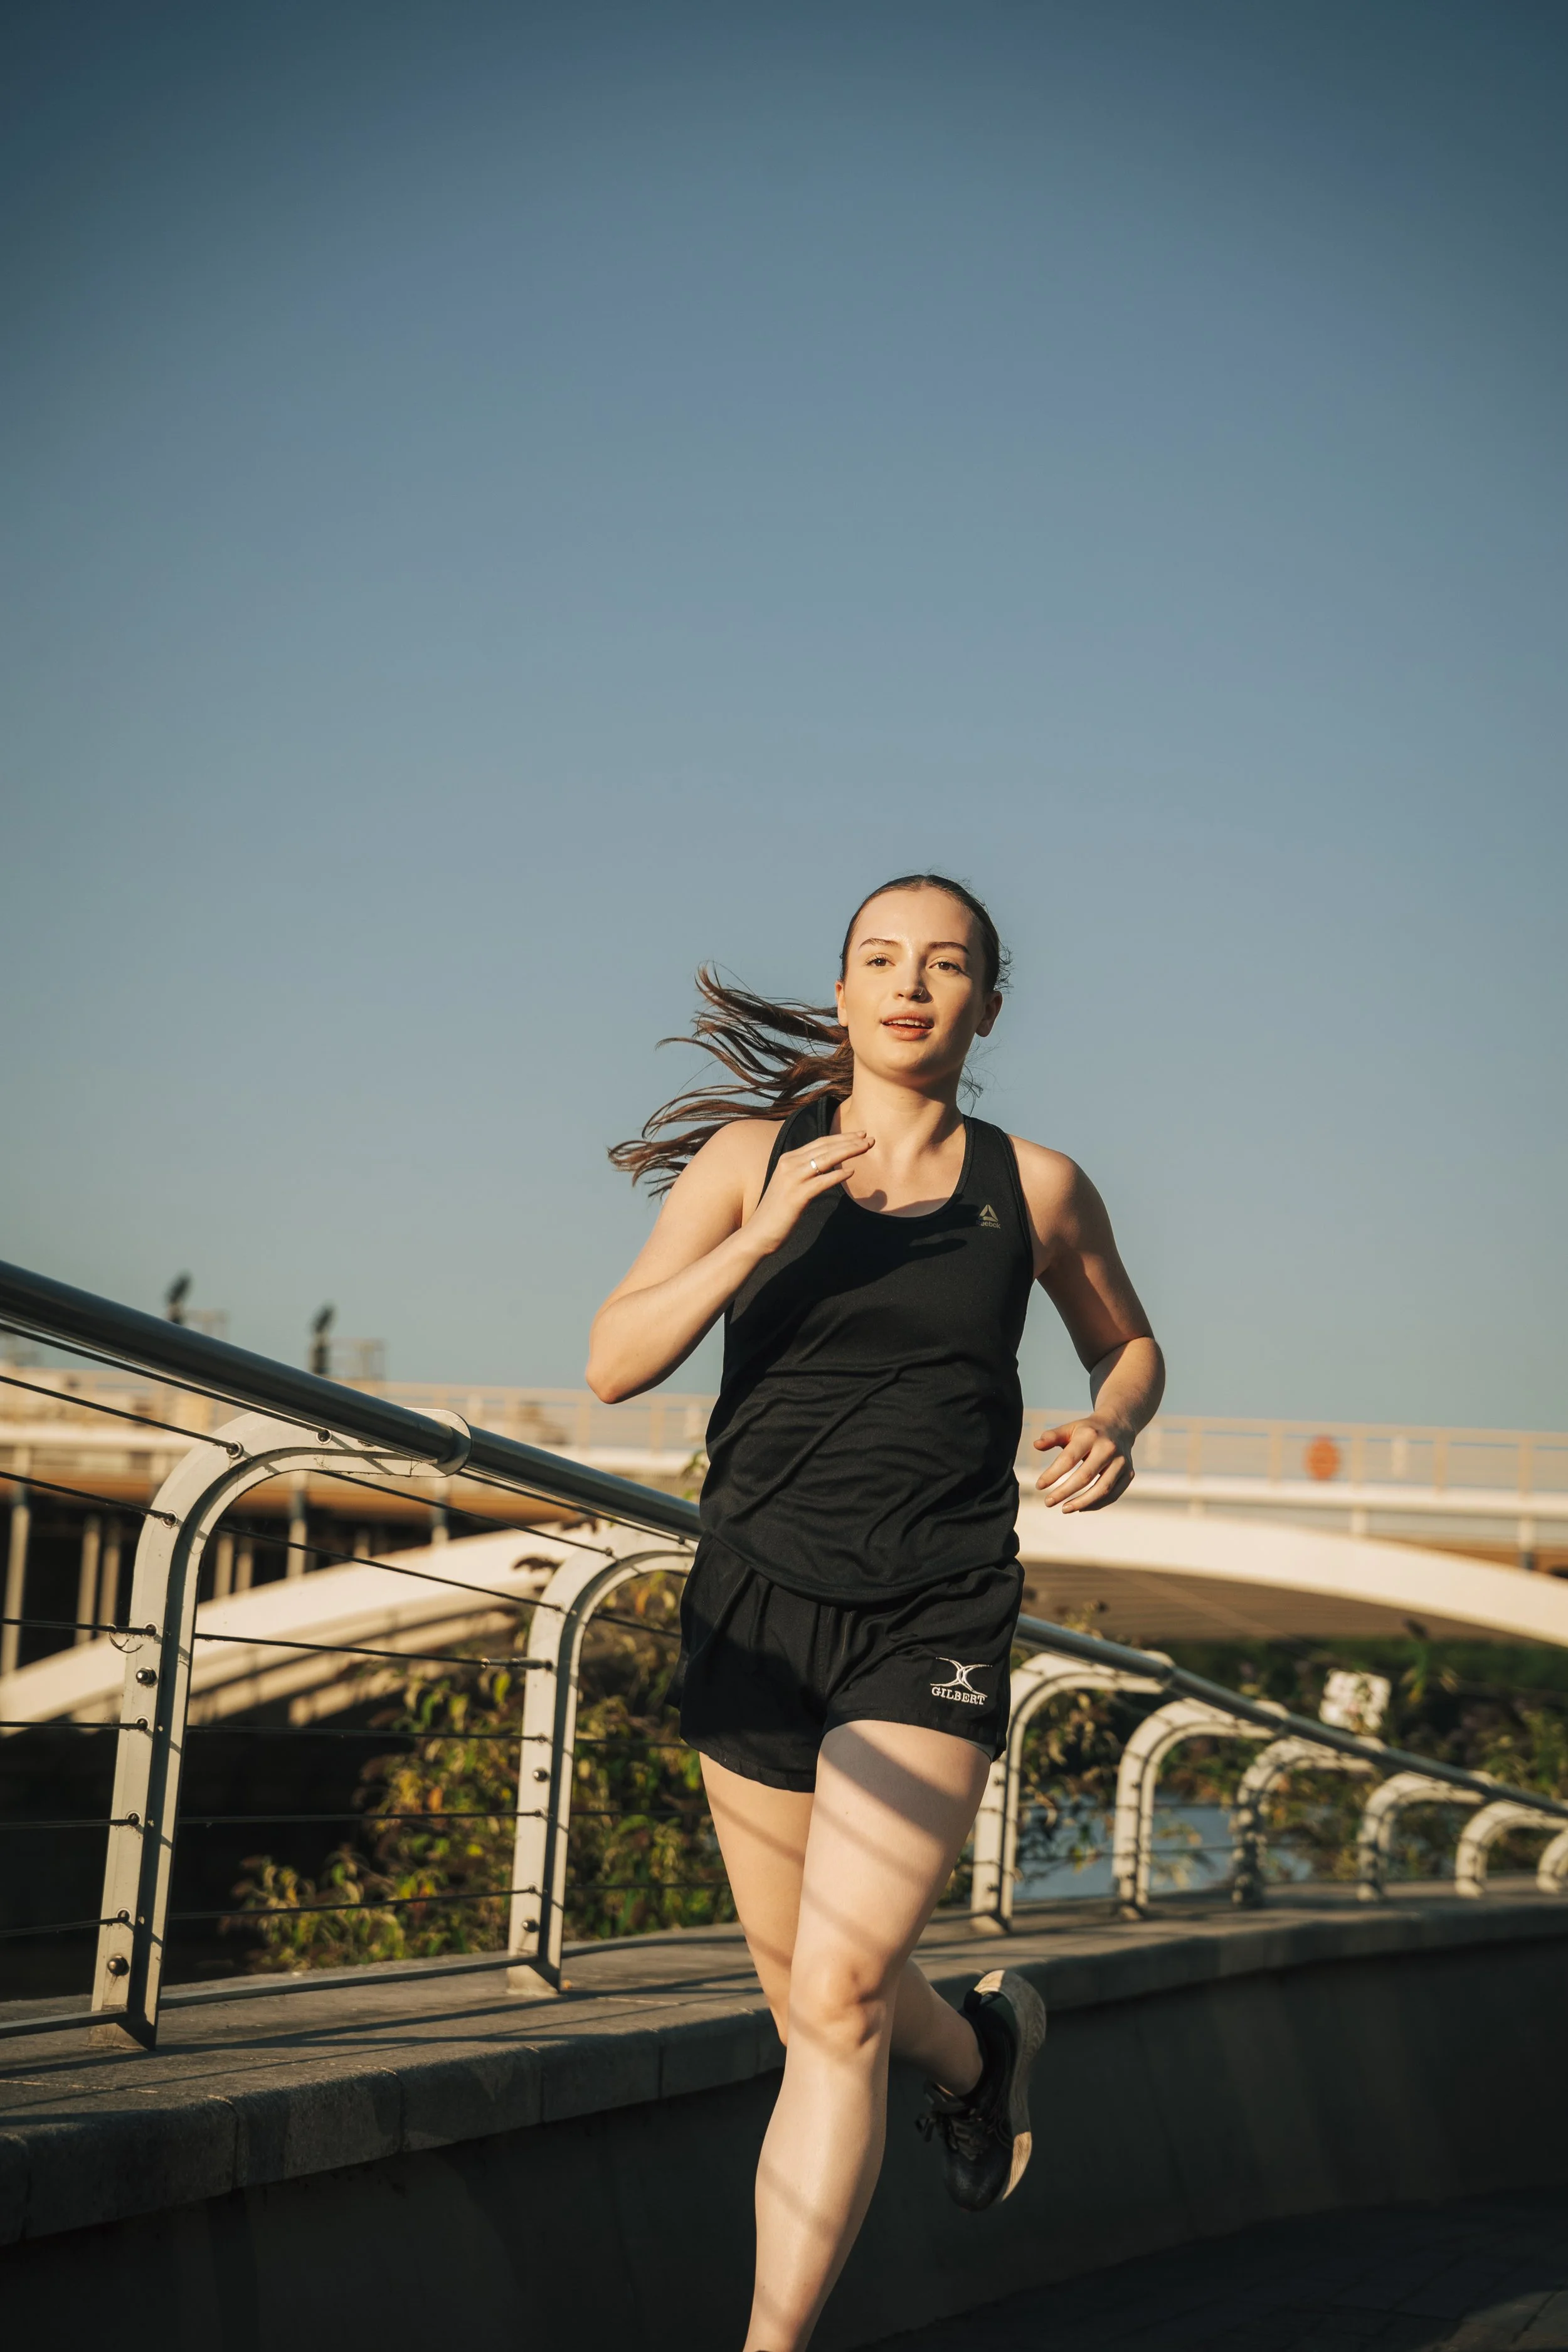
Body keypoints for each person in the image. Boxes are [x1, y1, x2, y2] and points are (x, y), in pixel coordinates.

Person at [588, 874, 1163, 2352]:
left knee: (840, 1995)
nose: (910, 984)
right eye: (881, 960)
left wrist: (1114, 1422)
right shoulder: (750, 1160)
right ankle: (977, 2055)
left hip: (934, 1610)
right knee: (812, 2000)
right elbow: (613, 1362)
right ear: (841, 993)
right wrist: (753, 1237)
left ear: (986, 1005)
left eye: (945, 964)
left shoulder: (1034, 1187)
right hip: (753, 1603)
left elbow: (1127, 1342)